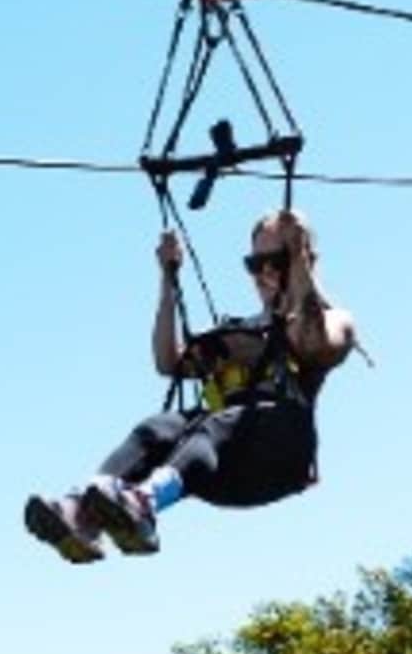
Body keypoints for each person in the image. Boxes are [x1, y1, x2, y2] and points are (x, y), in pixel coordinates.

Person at [26, 205, 357, 562]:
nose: (264, 273)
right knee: (160, 426)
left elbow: (315, 344)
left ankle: (144, 503)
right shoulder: (241, 328)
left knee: (220, 422)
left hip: (279, 457)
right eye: (254, 263)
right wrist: (168, 278)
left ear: (301, 257)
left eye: (276, 260)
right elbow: (168, 362)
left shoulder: (333, 319)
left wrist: (300, 268)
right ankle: (82, 512)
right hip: (221, 468)